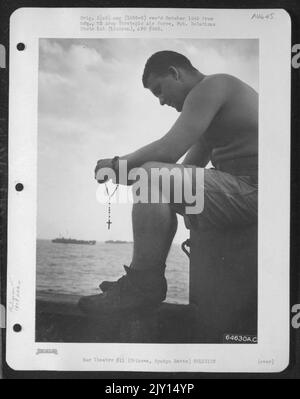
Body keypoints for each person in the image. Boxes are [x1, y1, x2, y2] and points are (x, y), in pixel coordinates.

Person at [78, 50, 258, 315]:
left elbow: (167, 151)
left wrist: (117, 164)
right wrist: (127, 174)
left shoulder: (214, 85)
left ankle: (142, 284)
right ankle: (142, 282)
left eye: (159, 90)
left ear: (175, 72)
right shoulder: (211, 114)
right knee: (153, 177)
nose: (161, 101)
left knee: (152, 175)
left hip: (257, 188)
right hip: (247, 189)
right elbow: (182, 172)